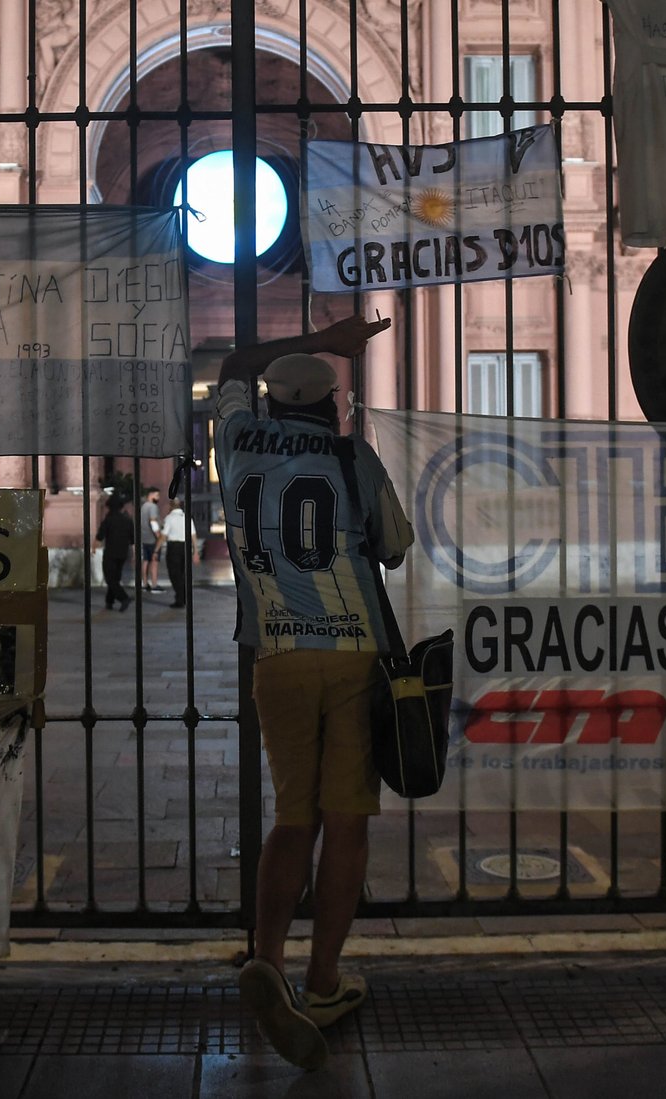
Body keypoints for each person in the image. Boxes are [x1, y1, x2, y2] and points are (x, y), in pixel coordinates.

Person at [213, 313, 411, 1072]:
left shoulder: (236, 446)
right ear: (329, 407)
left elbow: (232, 359)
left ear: (269, 403)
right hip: (353, 652)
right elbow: (394, 547)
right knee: (347, 819)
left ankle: (265, 956)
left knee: (291, 817)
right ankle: (322, 980)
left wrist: (321, 336)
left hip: (278, 656)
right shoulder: (349, 455)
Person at [93, 495, 135, 611]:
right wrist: (135, 554)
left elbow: (99, 536)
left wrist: (93, 548)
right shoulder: (127, 520)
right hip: (123, 553)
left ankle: (124, 598)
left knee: (110, 579)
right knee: (115, 578)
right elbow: (133, 540)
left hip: (110, 553)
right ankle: (109, 602)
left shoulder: (108, 519)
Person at [159, 497, 199, 608]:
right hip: (186, 547)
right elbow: (193, 535)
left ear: (171, 506)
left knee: (174, 573)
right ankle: (184, 597)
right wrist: (195, 551)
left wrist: (156, 549)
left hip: (174, 548)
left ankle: (180, 598)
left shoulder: (169, 518)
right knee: (183, 573)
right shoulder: (187, 517)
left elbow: (164, 535)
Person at [139, 486, 164, 592]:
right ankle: (154, 584)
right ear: (151, 495)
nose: (158, 498)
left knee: (145, 561)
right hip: (153, 539)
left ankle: (144, 583)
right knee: (154, 562)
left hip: (144, 538)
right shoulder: (153, 507)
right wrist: (159, 536)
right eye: (157, 495)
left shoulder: (143, 506)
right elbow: (153, 521)